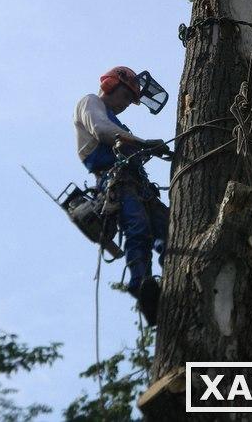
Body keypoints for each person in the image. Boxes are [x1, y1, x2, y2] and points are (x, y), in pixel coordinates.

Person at [73, 66, 170, 325]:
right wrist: (141, 141)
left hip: (139, 185)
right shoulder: (90, 103)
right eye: (126, 97)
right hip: (117, 183)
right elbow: (102, 130)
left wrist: (149, 148)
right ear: (110, 85)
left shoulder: (120, 124)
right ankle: (141, 284)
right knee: (138, 229)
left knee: (171, 229)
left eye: (131, 100)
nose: (127, 104)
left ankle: (174, 278)